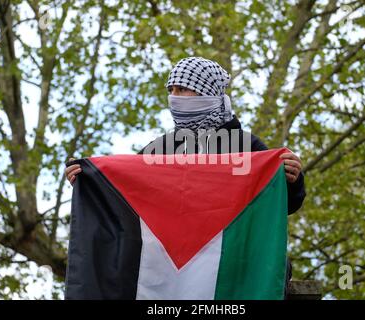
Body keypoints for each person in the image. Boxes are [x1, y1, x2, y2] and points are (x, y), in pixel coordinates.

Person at [64, 56, 305, 298]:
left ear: (207, 92)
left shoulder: (245, 146)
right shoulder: (161, 149)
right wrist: (90, 180)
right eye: (171, 90)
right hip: (169, 265)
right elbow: (125, 193)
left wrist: (291, 180)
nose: (174, 97)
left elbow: (285, 204)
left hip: (230, 260)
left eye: (182, 89)